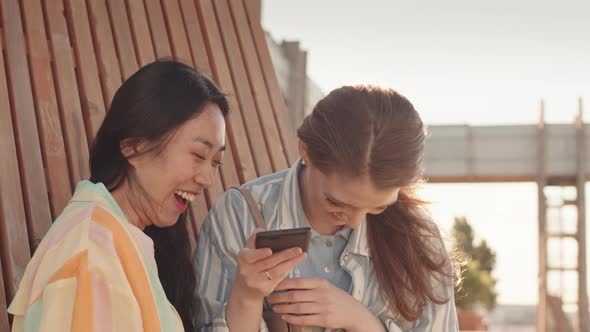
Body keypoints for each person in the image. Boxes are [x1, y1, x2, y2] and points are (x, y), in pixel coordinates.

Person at [194, 85, 459, 331]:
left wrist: (362, 321)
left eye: (378, 208)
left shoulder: (420, 240)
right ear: (305, 150)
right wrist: (247, 297)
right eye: (336, 201)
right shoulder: (240, 214)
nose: (355, 223)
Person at [8, 59, 228, 332]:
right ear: (134, 147)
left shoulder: (121, 241)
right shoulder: (91, 256)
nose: (208, 179)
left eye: (216, 162)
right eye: (198, 155)